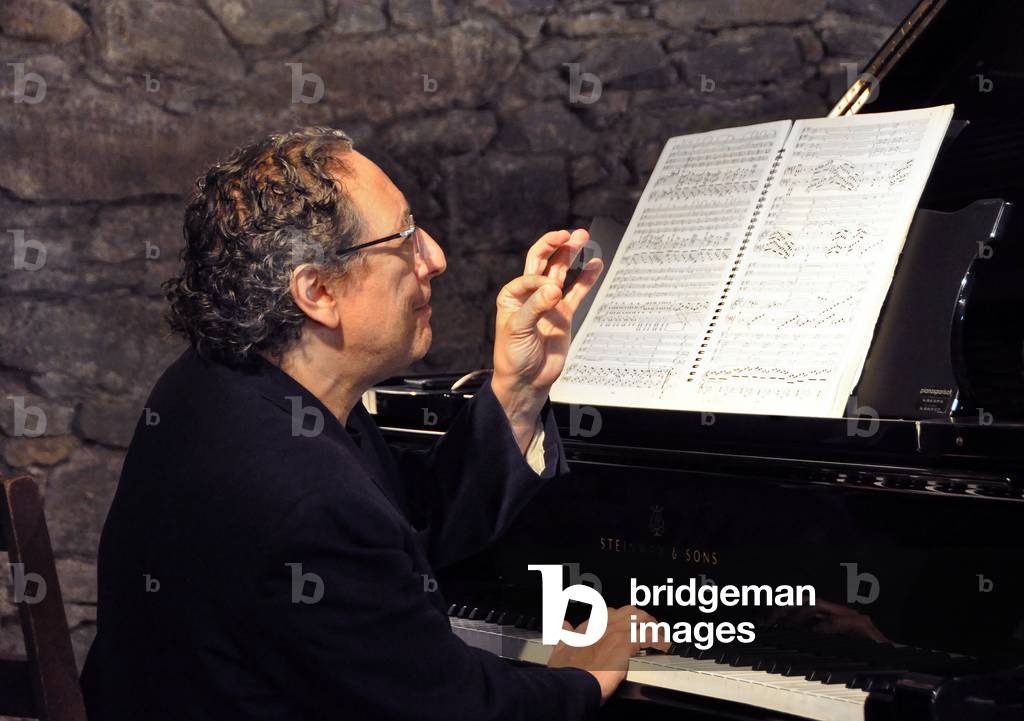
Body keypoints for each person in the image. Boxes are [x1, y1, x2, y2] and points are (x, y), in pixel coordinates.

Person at [80, 126, 663, 721]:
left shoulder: (226, 382)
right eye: (405, 237)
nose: (435, 258)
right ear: (318, 291)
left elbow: (404, 523)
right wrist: (580, 675)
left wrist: (515, 390)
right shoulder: (303, 493)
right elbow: (457, 711)